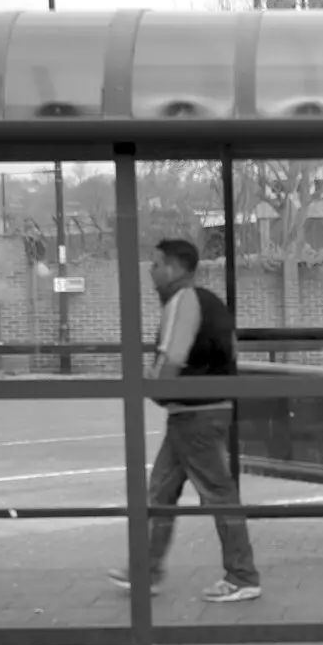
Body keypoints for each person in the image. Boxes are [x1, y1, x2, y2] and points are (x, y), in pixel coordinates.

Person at [109, 238, 262, 603]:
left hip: (195, 415)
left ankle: (242, 575)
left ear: (175, 269)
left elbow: (171, 359)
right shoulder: (212, 304)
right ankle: (145, 571)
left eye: (157, 264)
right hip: (202, 412)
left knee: (218, 494)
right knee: (161, 492)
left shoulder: (183, 301)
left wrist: (155, 390)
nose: (151, 271)